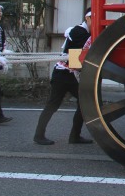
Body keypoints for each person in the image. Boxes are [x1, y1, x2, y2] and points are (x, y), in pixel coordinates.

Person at [33, 8, 93, 145]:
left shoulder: (86, 32)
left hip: (72, 74)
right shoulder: (78, 31)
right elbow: (76, 57)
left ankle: (75, 136)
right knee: (53, 105)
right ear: (87, 18)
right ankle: (38, 135)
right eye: (94, 18)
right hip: (62, 73)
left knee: (84, 102)